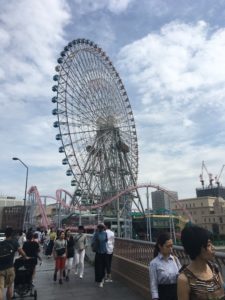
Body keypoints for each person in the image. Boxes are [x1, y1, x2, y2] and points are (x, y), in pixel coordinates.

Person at [177, 225, 225, 300]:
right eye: (208, 245)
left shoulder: (214, 268)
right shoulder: (184, 279)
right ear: (197, 247)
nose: (213, 248)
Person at [149, 232, 181, 300]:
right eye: (168, 246)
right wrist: (155, 298)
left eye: (171, 245)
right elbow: (153, 284)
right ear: (160, 246)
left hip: (176, 294)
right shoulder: (154, 263)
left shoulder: (175, 259)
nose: (170, 248)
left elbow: (181, 275)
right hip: (163, 295)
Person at [0, 227, 28, 300]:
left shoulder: (1, 243)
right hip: (10, 268)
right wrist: (25, 257)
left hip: (0, 269)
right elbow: (22, 253)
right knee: (10, 286)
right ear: (12, 234)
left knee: (0, 289)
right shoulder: (14, 242)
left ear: (5, 235)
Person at [91, 223, 108, 288]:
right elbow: (92, 242)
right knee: (98, 267)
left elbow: (106, 240)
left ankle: (102, 278)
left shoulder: (105, 233)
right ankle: (100, 280)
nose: (100, 228)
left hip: (104, 252)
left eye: (102, 227)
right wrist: (95, 244)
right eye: (99, 227)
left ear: (103, 228)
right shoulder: (96, 234)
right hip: (98, 252)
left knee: (103, 267)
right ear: (98, 228)